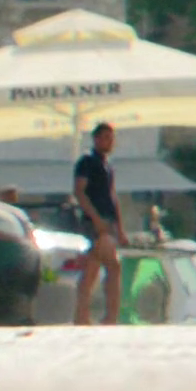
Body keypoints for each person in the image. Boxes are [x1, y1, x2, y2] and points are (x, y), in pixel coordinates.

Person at [71, 121, 126, 326]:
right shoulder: (87, 162)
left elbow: (112, 196)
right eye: (105, 138)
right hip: (95, 221)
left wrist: (119, 227)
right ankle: (108, 316)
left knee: (93, 266)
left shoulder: (107, 166)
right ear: (96, 139)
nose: (109, 142)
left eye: (111, 138)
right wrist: (96, 219)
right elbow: (79, 192)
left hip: (107, 221)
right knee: (111, 266)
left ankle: (85, 315)